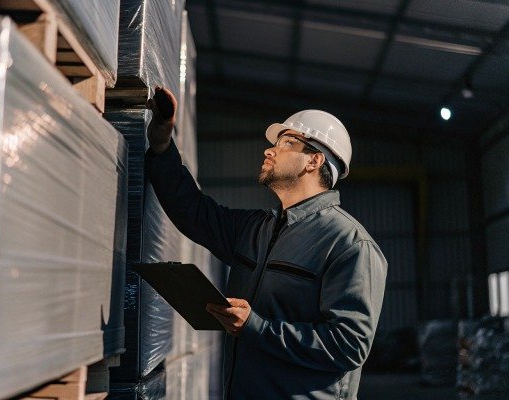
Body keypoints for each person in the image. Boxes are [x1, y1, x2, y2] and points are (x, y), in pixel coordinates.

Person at [145, 87, 387, 400]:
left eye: (286, 143)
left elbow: (348, 345)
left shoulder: (349, 244)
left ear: (314, 160)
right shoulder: (256, 228)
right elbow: (193, 212)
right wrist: (162, 144)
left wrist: (256, 327)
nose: (269, 151)